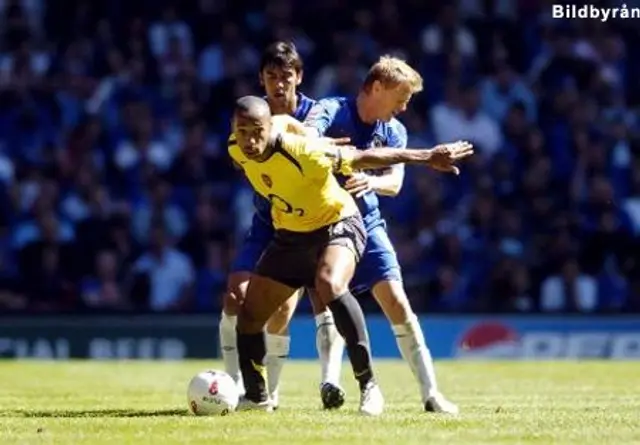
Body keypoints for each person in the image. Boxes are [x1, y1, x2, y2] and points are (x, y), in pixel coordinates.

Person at [229, 95, 473, 416]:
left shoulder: (305, 152)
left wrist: (427, 156)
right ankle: (258, 397)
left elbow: (366, 157)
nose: (249, 139)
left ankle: (369, 385)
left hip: (338, 222)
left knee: (329, 283)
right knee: (249, 314)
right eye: (242, 130)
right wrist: (296, 127)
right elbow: (280, 122)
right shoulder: (236, 146)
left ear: (267, 129)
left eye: (256, 130)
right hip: (291, 235)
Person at [300, 55, 459, 413]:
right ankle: (329, 383)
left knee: (397, 301)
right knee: (328, 299)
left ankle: (431, 394)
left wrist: (370, 180)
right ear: (376, 87)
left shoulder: (394, 132)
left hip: (367, 223)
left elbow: (395, 184)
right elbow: (306, 135)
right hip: (323, 222)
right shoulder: (331, 110)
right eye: (401, 98)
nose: (403, 108)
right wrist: (329, 151)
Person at [219, 42, 344, 407]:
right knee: (234, 295)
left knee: (293, 306)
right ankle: (231, 384)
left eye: (285, 76)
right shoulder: (250, 116)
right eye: (271, 76)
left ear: (298, 78)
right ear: (261, 79)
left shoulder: (316, 115)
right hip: (266, 219)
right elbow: (237, 156)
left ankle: (274, 392)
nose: (278, 84)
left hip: (312, 221)